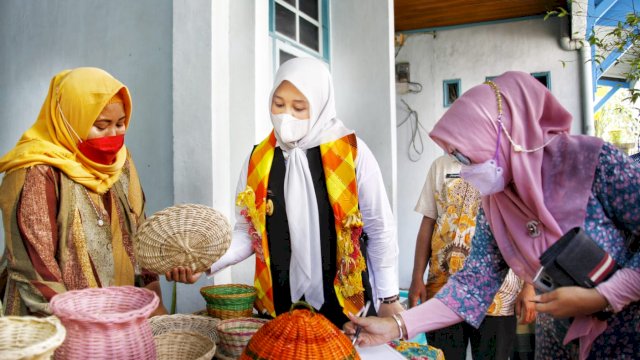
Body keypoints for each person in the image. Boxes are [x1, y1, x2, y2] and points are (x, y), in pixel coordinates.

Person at [345, 71, 640, 360]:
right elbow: (472, 285)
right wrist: (393, 326)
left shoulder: (594, 163)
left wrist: (603, 296)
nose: (464, 168)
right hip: (561, 337)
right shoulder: (498, 203)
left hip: (628, 331)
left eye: (464, 155)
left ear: (503, 135)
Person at [168, 57, 402, 326]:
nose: (285, 115)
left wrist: (389, 297)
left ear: (320, 105)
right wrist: (205, 261)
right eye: (278, 104)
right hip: (280, 304)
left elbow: (380, 228)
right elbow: (247, 232)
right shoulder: (260, 159)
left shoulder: (351, 154)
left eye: (298, 107)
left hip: (347, 308)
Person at [0, 67, 167, 316]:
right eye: (101, 126)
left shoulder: (120, 162)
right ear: (70, 120)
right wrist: (83, 327)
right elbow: (35, 268)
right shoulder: (35, 171)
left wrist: (153, 302)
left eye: (121, 124)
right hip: (54, 324)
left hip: (119, 318)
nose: (113, 135)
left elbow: (140, 231)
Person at [409, 154, 536, 360]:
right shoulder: (440, 166)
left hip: (498, 296)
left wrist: (529, 286)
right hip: (444, 291)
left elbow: (527, 230)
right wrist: (417, 278)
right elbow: (427, 224)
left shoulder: (510, 166)